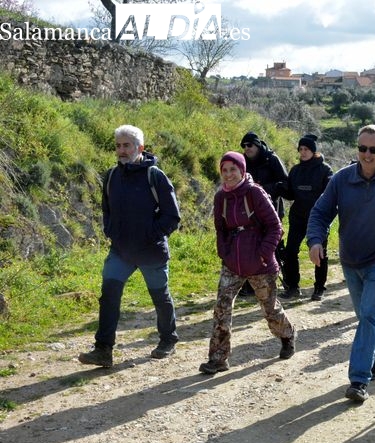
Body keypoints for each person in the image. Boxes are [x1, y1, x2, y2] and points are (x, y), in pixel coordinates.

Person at [306, 124, 375, 402]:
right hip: (351, 260)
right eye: (362, 148)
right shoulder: (342, 179)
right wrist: (315, 240)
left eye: (374, 149)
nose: (367, 154)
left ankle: (359, 379)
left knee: (368, 314)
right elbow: (321, 212)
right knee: (367, 315)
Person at [78, 125, 181, 368]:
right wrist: (110, 230)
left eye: (127, 145)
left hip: (150, 250)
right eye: (118, 145)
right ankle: (103, 349)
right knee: (109, 295)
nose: (121, 150)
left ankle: (168, 339)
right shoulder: (112, 175)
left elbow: (172, 216)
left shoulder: (154, 176)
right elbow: (107, 209)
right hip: (121, 250)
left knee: (160, 296)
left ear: (140, 148)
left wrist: (151, 234)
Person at [199, 152, 296, 375]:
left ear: (242, 170)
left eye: (233, 169)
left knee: (269, 308)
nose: (229, 174)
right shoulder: (220, 198)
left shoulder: (255, 193)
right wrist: (224, 253)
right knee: (222, 308)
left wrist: (263, 254)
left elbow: (275, 226)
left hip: (260, 264)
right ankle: (218, 358)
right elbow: (220, 229)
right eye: (224, 170)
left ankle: (287, 335)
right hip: (233, 262)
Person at [276, 134, 334, 301]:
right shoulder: (295, 170)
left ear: (313, 151)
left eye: (306, 149)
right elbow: (291, 194)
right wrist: (280, 188)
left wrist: (327, 215)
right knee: (290, 252)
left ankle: (319, 288)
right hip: (298, 217)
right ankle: (293, 287)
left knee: (319, 253)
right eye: (300, 149)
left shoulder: (325, 170)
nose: (303, 152)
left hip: (318, 218)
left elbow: (330, 194)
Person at [240, 131, 290, 295]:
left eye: (250, 145)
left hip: (272, 210)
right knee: (250, 246)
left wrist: (262, 190)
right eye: (244, 146)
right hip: (249, 212)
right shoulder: (243, 161)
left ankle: (272, 282)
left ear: (258, 145)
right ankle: (250, 285)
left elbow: (285, 183)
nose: (247, 148)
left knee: (271, 246)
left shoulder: (271, 159)